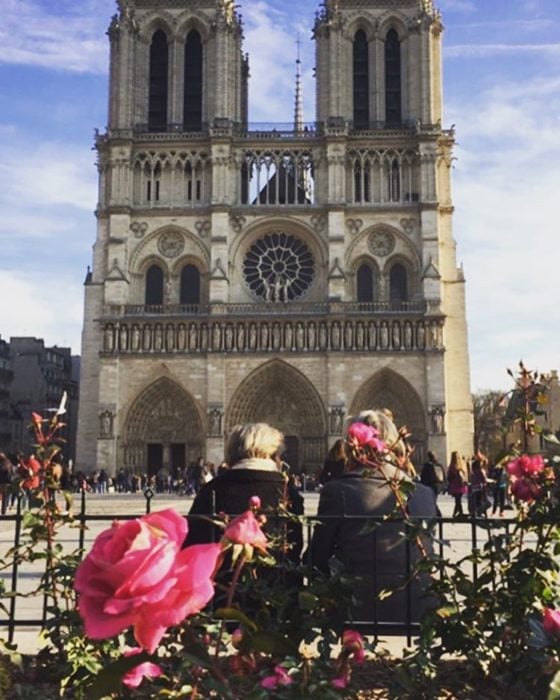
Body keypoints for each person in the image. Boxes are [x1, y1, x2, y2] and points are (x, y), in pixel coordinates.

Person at [309, 410, 437, 628]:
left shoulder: (337, 490)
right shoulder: (425, 493)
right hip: (418, 610)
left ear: (352, 446)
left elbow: (317, 558)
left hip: (356, 612)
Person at [185, 423, 303, 562]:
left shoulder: (211, 490)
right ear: (273, 454)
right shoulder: (288, 492)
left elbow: (191, 545)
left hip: (220, 580)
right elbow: (294, 549)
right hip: (280, 580)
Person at [447, 451, 469, 518]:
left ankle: (458, 513)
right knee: (458, 500)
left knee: (458, 500)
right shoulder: (462, 465)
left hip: (455, 485)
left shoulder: (452, 466)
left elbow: (449, 477)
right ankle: (458, 513)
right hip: (461, 485)